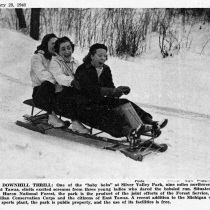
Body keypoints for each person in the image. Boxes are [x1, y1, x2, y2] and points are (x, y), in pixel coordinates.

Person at [74, 43, 168, 138]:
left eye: (105, 56)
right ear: (92, 56)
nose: (103, 58)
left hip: (99, 101)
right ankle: (130, 131)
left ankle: (151, 123)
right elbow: (89, 89)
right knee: (107, 114)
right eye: (100, 55)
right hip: (84, 105)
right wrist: (111, 91)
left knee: (124, 103)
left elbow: (110, 87)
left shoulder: (105, 69)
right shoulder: (83, 69)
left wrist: (119, 90)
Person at [49, 36, 90, 134]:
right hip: (58, 95)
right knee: (73, 93)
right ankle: (75, 122)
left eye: (69, 48)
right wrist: (73, 82)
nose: (67, 51)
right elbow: (60, 77)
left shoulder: (74, 62)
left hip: (71, 92)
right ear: (58, 52)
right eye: (63, 49)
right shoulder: (55, 62)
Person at [30, 33, 66, 128]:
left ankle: (76, 120)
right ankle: (51, 116)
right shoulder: (37, 57)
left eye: (56, 43)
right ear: (46, 44)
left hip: (55, 91)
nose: (55, 46)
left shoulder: (57, 58)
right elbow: (42, 74)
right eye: (53, 43)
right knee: (48, 84)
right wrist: (58, 82)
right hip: (40, 92)